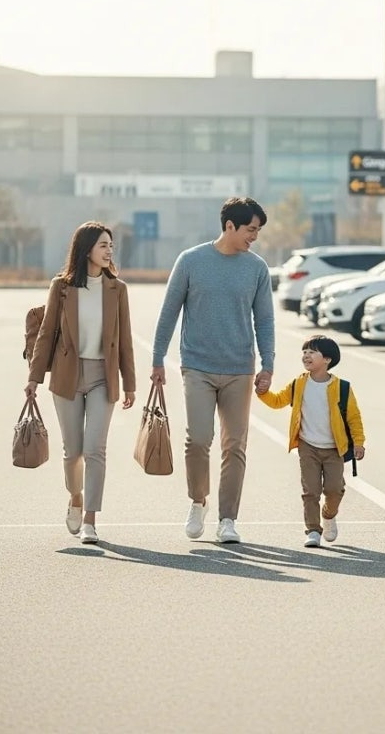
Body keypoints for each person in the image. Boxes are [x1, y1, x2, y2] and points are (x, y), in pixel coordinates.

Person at [151, 196, 274, 544]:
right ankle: (198, 501)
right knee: (198, 439)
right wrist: (158, 359)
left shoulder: (257, 268)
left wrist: (268, 364)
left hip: (239, 368)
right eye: (251, 229)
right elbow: (169, 312)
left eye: (258, 231)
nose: (255, 237)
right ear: (230, 225)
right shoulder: (191, 261)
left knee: (234, 445)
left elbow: (265, 320)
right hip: (197, 366)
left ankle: (228, 519)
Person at [26, 222, 136, 545]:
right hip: (67, 376)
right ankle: (75, 496)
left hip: (103, 376)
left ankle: (90, 519)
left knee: (95, 449)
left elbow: (125, 340)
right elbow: (46, 333)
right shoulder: (61, 287)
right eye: (103, 245)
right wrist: (34, 378)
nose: (109, 251)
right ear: (86, 249)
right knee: (73, 451)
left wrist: (129, 383)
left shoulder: (117, 289)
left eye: (111, 245)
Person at [256, 335, 365, 548]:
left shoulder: (342, 387)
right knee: (310, 491)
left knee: (334, 489)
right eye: (304, 352)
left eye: (312, 352)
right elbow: (278, 401)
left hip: (334, 448)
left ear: (327, 359)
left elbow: (354, 418)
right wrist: (263, 393)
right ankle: (313, 530)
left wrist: (359, 442)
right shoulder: (299, 383)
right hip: (308, 447)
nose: (306, 355)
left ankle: (329, 515)